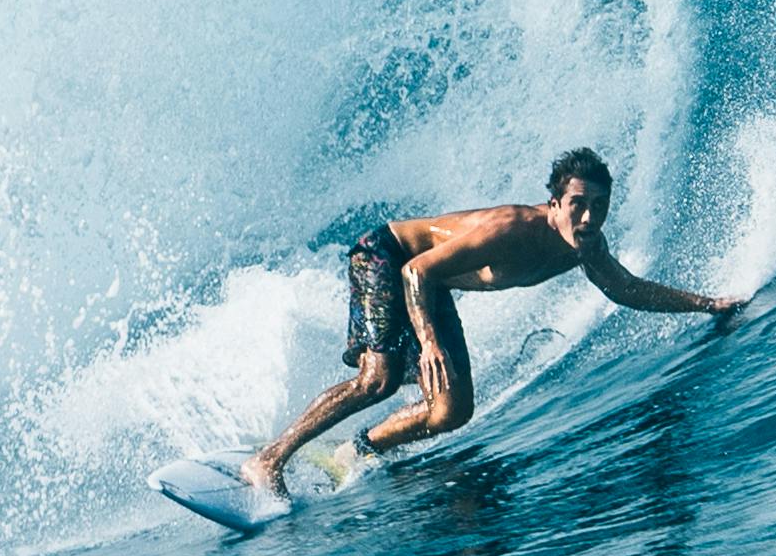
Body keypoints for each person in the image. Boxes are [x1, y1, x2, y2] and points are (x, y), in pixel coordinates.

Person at [247, 147, 744, 492]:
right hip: (387, 256)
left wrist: (707, 305)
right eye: (578, 205)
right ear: (554, 204)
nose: (589, 218)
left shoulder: (585, 248)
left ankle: (356, 451)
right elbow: (416, 270)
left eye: (599, 207)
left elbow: (628, 289)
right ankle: (269, 459)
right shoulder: (511, 231)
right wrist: (430, 342)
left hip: (431, 285)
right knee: (379, 380)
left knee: (450, 412)